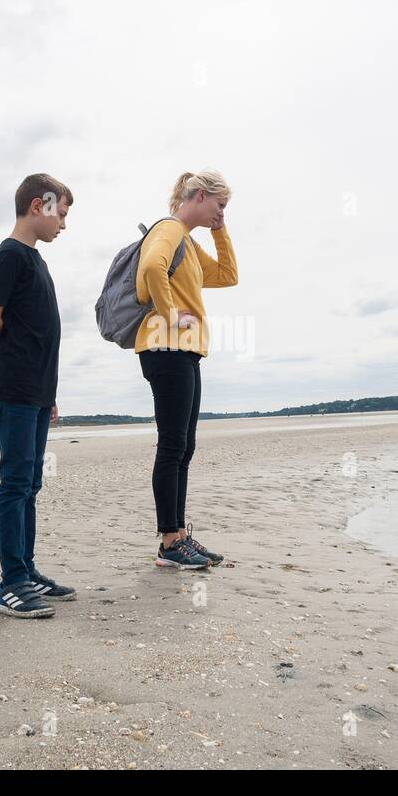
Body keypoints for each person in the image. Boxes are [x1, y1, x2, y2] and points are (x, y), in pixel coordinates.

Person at [0, 174, 76, 617]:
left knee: (31, 483)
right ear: (40, 206)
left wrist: (48, 393)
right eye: (63, 214)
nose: (64, 225)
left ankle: (27, 569)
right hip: (12, 386)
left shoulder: (38, 260)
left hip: (36, 392)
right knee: (15, 484)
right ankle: (10, 583)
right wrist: (20, 355)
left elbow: (45, 332)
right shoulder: (10, 255)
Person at [134, 170, 238, 570]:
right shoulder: (169, 229)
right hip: (166, 346)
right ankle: (168, 543)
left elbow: (228, 276)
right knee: (173, 445)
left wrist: (219, 231)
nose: (221, 212)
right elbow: (150, 270)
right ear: (198, 195)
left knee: (184, 447)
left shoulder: (189, 243)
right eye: (220, 204)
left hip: (184, 350)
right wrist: (172, 314)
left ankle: (178, 537)